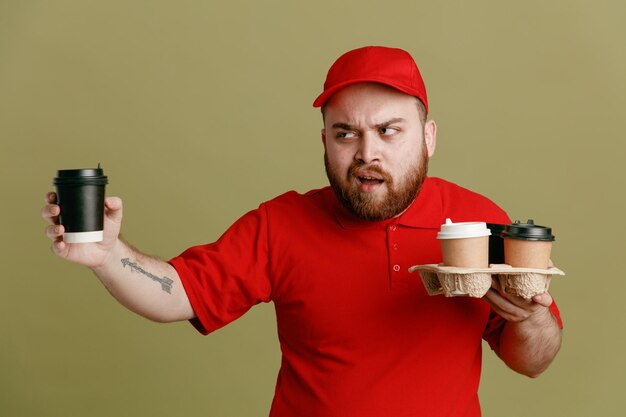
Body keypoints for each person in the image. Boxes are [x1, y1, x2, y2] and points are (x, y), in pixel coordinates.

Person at [42, 46, 562, 417]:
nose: (367, 152)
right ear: (325, 142)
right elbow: (177, 294)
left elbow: (532, 362)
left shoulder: (479, 220)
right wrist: (107, 255)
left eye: (388, 130)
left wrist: (531, 319)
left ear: (427, 138)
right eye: (346, 133)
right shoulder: (281, 223)